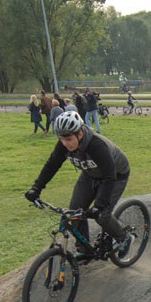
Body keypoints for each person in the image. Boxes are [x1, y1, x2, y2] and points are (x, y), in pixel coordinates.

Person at [24, 109, 133, 256]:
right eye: (61, 139)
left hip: (116, 175)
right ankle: (84, 249)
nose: (65, 143)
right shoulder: (63, 145)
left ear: (80, 133)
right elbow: (51, 166)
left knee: (102, 216)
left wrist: (99, 205)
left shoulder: (97, 146)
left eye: (68, 139)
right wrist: (36, 188)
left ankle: (124, 237)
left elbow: (109, 177)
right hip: (90, 174)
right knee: (75, 212)